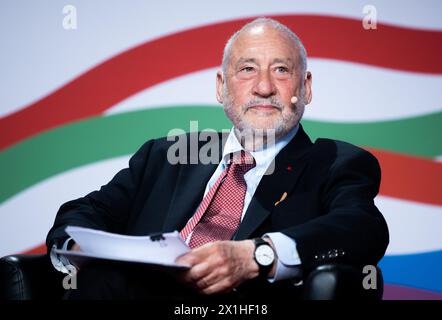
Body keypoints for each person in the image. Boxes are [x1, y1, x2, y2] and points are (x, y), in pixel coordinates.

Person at [46, 17, 389, 300]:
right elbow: (81, 215)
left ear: (307, 87)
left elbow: (364, 229)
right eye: (247, 69)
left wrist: (257, 255)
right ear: (221, 87)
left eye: (282, 70)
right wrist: (83, 249)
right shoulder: (166, 156)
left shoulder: (334, 163)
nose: (264, 87)